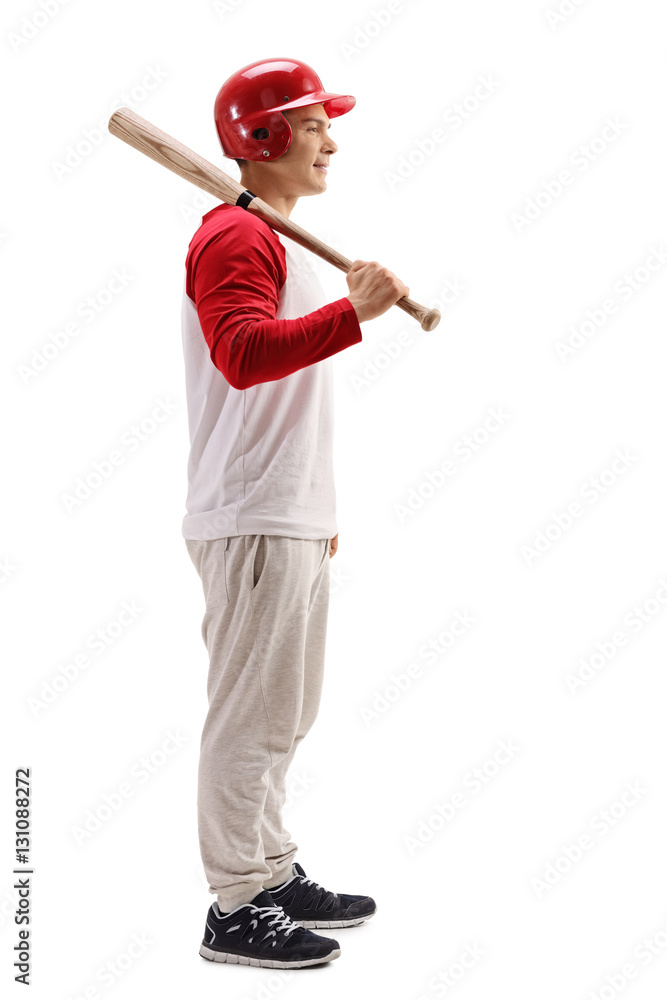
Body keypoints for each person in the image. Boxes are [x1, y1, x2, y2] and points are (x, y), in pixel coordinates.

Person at [181, 57, 410, 969]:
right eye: (313, 124)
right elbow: (240, 355)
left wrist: (316, 510)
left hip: (289, 514)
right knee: (249, 716)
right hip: (249, 514)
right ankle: (234, 904)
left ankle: (270, 871)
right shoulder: (234, 238)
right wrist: (353, 314)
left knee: (285, 712)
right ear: (264, 136)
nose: (331, 139)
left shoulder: (275, 235)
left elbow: (286, 393)